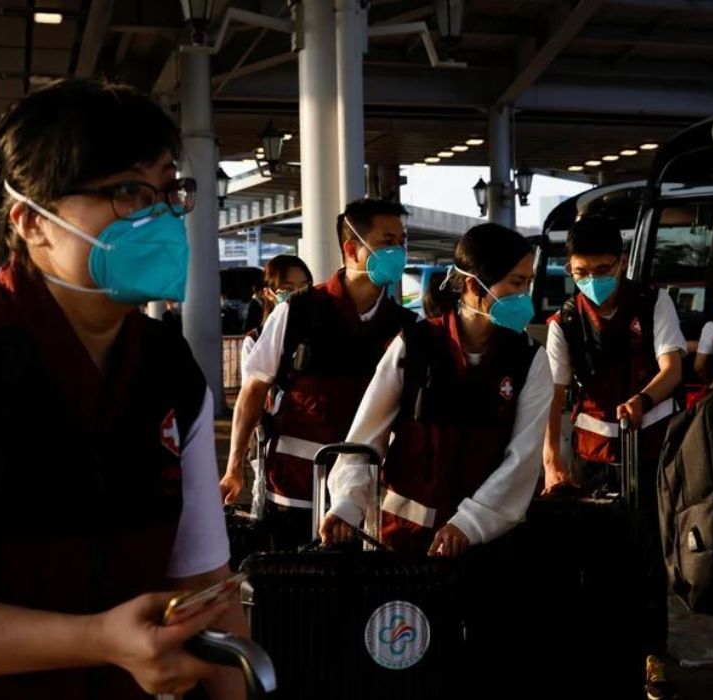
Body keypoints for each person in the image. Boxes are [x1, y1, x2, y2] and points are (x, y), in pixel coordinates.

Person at [0, 79, 245, 699]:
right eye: (128, 192)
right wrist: (96, 639)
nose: (160, 218)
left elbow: (205, 585)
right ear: (32, 221)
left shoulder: (169, 368)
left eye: (169, 193)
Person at [319, 223, 552, 557]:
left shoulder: (530, 360)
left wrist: (468, 524)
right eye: (516, 283)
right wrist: (346, 505)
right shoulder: (414, 345)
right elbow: (366, 438)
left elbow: (523, 460)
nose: (524, 296)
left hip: (487, 546)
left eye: (528, 283)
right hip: (401, 542)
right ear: (473, 285)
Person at [540, 215, 684, 700]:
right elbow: (555, 396)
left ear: (622, 263)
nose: (594, 280)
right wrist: (552, 463)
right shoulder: (564, 321)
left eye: (603, 269)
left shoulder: (652, 302)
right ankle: (600, 652)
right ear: (570, 268)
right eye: (582, 272)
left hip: (649, 448)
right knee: (594, 556)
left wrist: (643, 399)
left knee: (648, 555)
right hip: (592, 454)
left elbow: (672, 367)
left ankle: (651, 655)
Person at [220, 199, 417, 548]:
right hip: (293, 491)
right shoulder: (298, 310)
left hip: (365, 497)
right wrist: (234, 466)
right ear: (351, 249)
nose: (398, 251)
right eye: (388, 241)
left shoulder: (405, 327)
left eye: (402, 242)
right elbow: (254, 388)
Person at [238, 255, 312, 384]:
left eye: (304, 287)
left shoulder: (325, 326)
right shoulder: (255, 340)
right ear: (268, 293)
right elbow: (252, 390)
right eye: (288, 289)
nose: (298, 294)